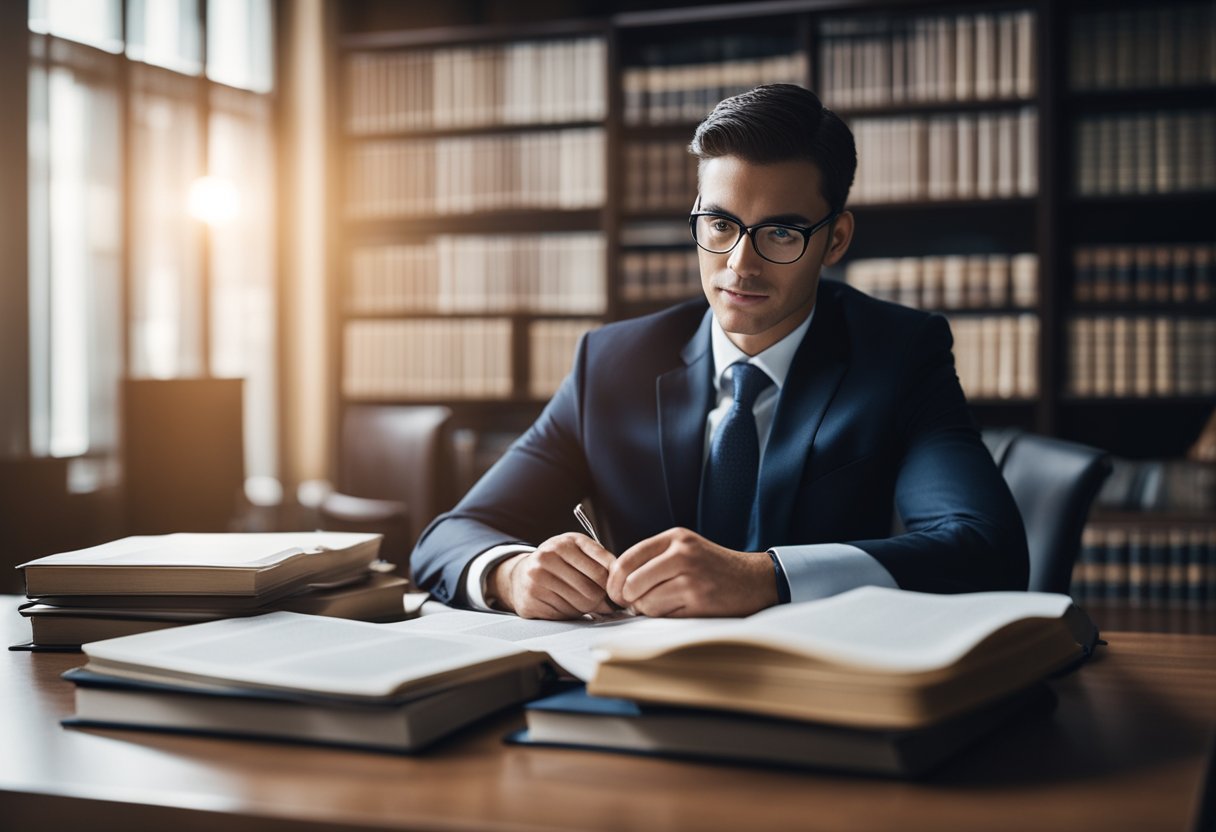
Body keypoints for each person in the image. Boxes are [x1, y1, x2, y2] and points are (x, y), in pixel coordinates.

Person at [411, 84, 1028, 619]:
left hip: (825, 696)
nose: (740, 265)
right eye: (720, 225)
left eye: (781, 232)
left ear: (834, 240)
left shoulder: (899, 356)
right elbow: (450, 536)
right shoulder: (612, 364)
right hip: (631, 691)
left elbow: (984, 548)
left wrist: (765, 577)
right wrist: (510, 573)